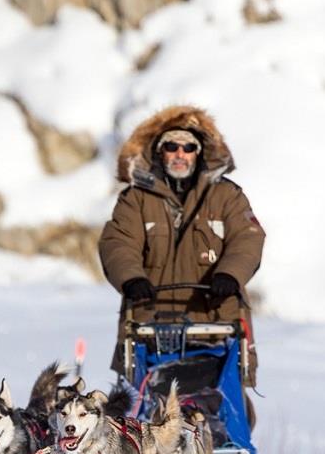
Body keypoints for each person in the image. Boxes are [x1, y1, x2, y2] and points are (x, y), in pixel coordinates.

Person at [98, 105, 265, 428]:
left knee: (231, 411)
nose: (179, 153)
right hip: (151, 323)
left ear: (200, 154)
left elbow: (248, 237)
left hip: (216, 322)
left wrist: (229, 275)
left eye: (188, 147)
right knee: (146, 411)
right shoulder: (136, 199)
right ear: (158, 153)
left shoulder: (227, 196)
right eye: (171, 146)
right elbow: (118, 242)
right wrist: (131, 278)